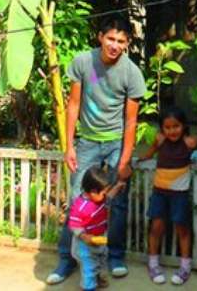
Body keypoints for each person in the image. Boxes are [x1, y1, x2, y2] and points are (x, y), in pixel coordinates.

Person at [47, 15, 146, 285]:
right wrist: (70, 146)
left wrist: (124, 160)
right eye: (111, 38)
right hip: (88, 142)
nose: (114, 45)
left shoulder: (131, 73)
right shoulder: (85, 63)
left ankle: (115, 257)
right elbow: (74, 104)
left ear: (127, 44)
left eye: (121, 41)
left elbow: (131, 120)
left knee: (116, 199)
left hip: (116, 143)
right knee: (78, 199)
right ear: (101, 37)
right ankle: (66, 261)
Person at [140, 106, 197, 285]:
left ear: (183, 126)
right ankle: (153, 263)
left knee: (182, 228)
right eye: (168, 127)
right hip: (160, 192)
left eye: (176, 126)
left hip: (179, 194)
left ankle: (185, 266)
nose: (172, 131)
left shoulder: (189, 143)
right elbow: (150, 153)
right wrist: (137, 160)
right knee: (156, 227)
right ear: (162, 129)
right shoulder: (160, 140)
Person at [68, 166, 118, 291]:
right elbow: (74, 225)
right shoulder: (80, 206)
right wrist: (84, 236)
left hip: (100, 237)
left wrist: (118, 186)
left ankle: (99, 278)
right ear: (93, 192)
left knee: (101, 260)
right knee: (88, 268)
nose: (106, 195)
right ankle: (87, 287)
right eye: (103, 192)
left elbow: (110, 196)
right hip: (85, 244)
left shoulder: (100, 198)